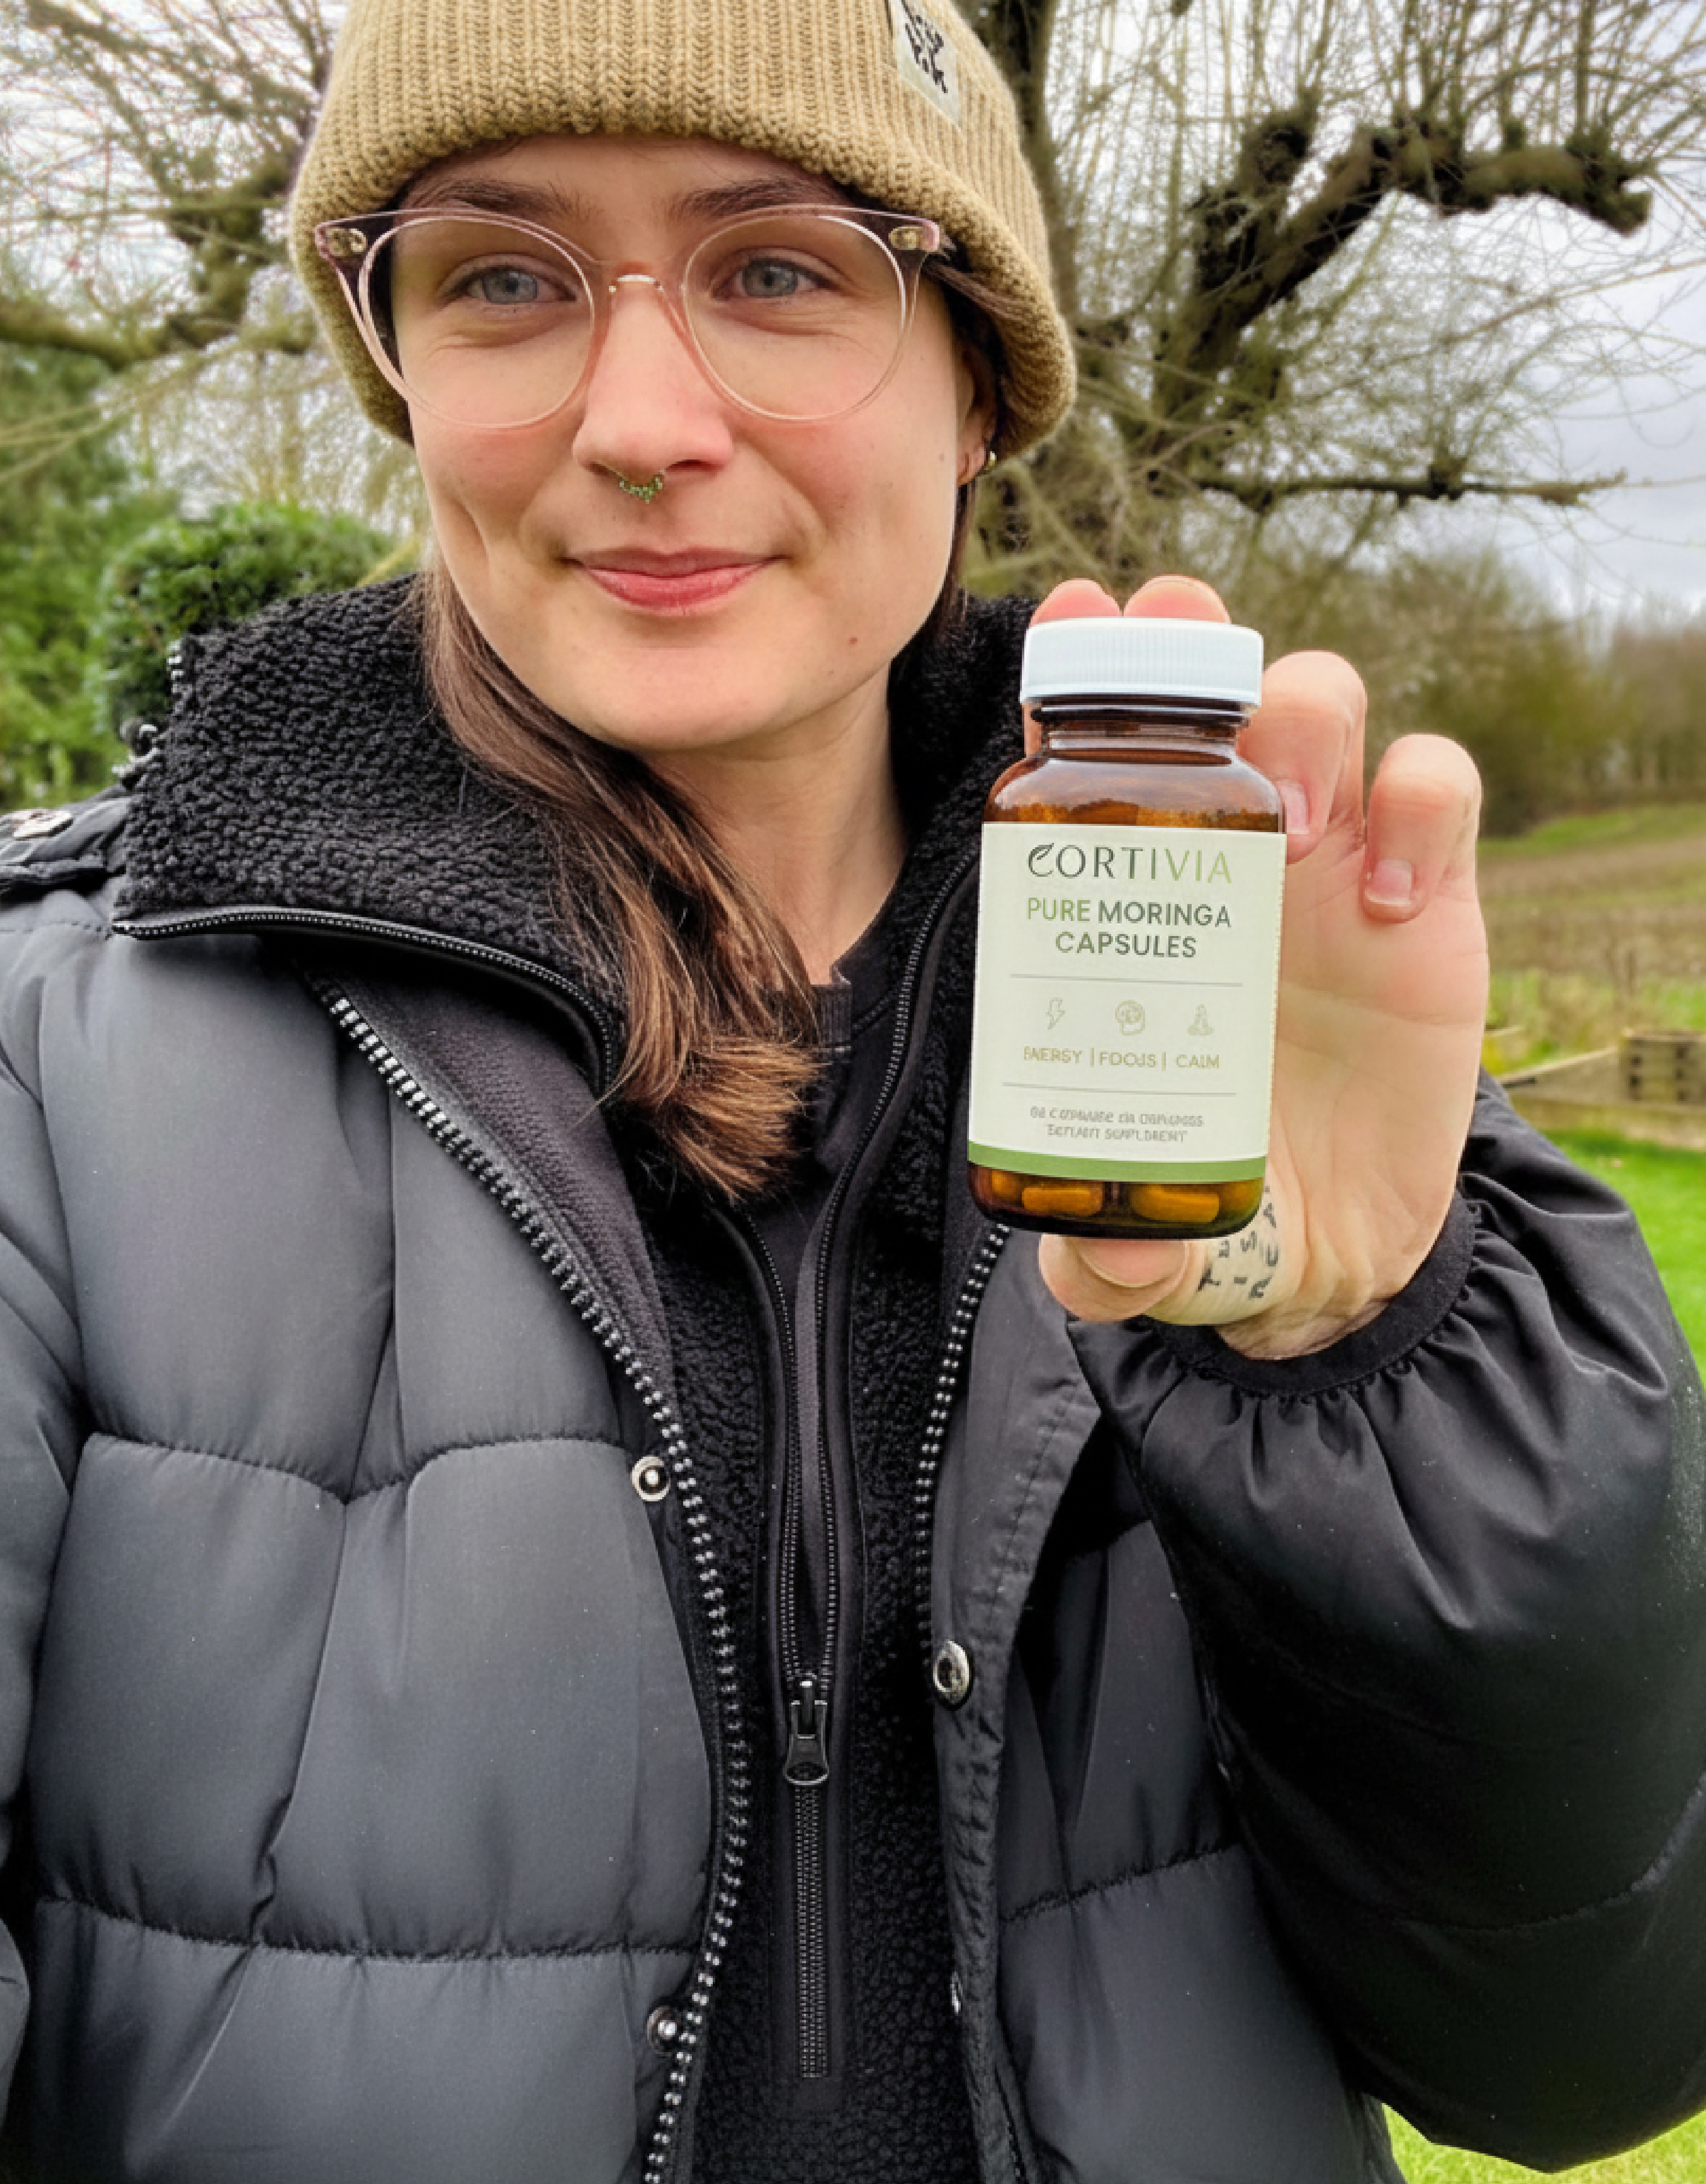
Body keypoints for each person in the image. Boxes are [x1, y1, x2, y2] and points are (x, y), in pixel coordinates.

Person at [1, 0, 1704, 2177]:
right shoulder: (50, 1059)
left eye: (782, 268)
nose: (637, 421)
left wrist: (1351, 1356)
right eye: (503, 279)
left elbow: (1585, 2055)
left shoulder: (1251, 1021)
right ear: (400, 367)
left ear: (981, 375)